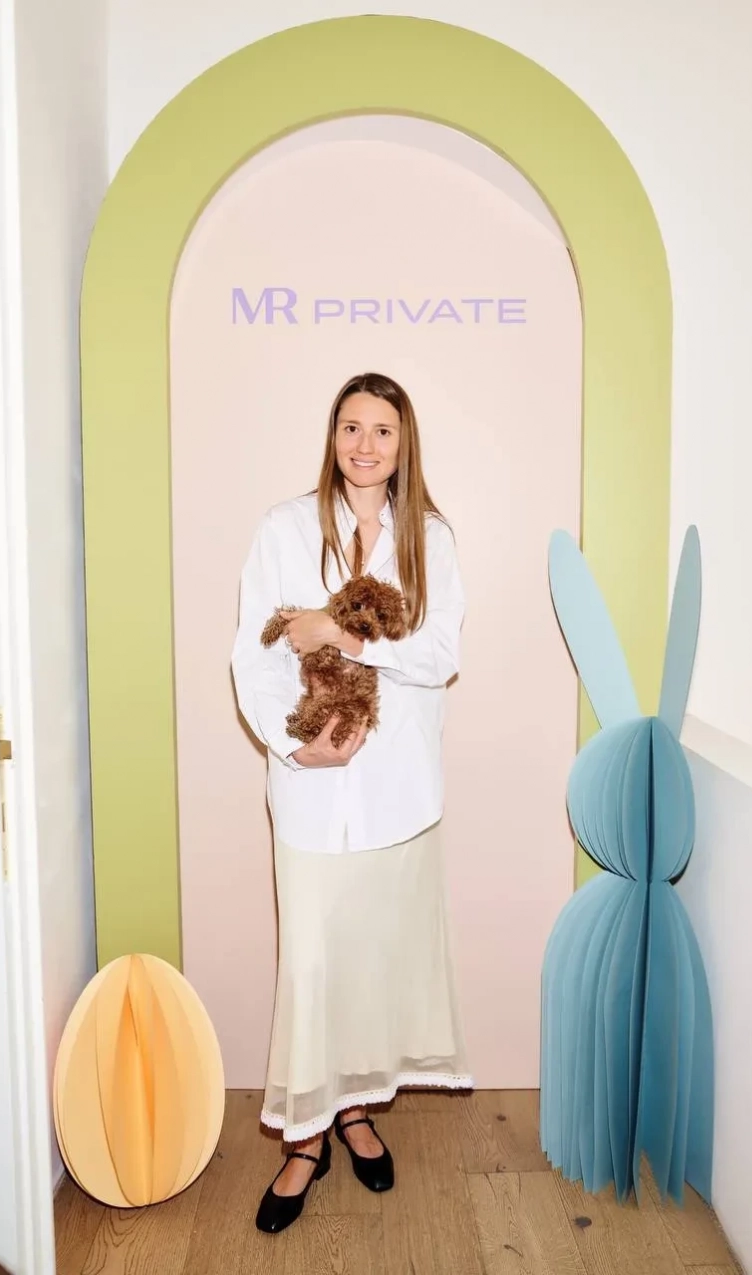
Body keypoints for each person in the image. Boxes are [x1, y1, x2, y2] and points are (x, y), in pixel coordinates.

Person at [232, 371, 472, 1235]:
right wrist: (293, 744)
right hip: (309, 790)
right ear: (332, 437)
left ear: (404, 445)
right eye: (350, 427)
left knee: (370, 964)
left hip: (398, 796)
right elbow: (254, 652)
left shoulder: (430, 539)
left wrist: (341, 633)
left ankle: (356, 1110)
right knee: (312, 964)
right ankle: (305, 1137)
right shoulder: (285, 529)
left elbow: (438, 653)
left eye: (382, 430)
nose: (364, 445)